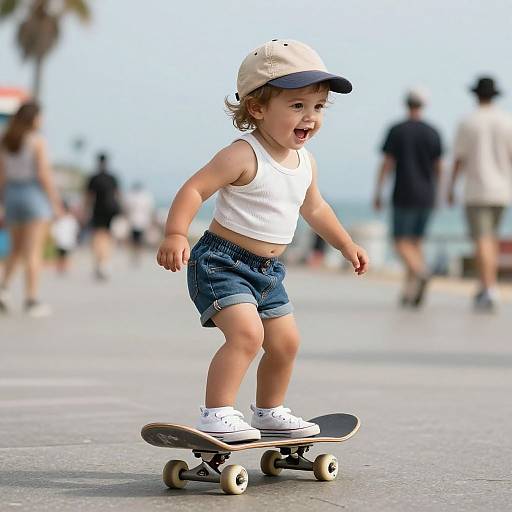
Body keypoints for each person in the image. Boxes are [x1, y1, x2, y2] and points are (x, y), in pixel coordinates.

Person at [157, 39, 369, 442]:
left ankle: (269, 411)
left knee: (286, 342)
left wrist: (345, 245)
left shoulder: (306, 162)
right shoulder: (242, 154)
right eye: (297, 106)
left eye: (318, 107)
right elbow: (194, 190)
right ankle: (217, 413)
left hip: (268, 273)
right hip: (221, 264)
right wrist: (175, 233)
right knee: (247, 336)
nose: (310, 117)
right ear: (256, 108)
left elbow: (316, 209)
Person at [373, 88, 443, 307]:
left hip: (403, 193)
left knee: (400, 242)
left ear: (406, 104)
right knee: (416, 243)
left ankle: (420, 273)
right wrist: (439, 193)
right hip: (427, 194)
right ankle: (409, 292)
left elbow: (387, 163)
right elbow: (439, 166)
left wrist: (378, 191)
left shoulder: (396, 130)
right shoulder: (433, 132)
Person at [449, 77, 512, 312]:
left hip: (477, 191)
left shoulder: (468, 122)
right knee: (492, 240)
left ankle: (489, 289)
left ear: (475, 95)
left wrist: (450, 187)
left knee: (482, 241)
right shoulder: (507, 121)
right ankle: (485, 285)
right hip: (503, 190)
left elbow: (458, 159)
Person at [0, 101, 62, 317]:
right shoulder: (36, 141)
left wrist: (3, 200)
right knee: (33, 250)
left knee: (14, 249)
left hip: (12, 195)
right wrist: (55, 203)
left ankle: (4, 289)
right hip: (33, 195)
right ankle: (31, 299)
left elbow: (2, 176)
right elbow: (43, 174)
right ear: (34, 118)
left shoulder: (6, 141)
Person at [85, 153, 119, 281]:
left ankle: (99, 262)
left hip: (97, 210)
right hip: (110, 210)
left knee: (97, 236)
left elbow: (88, 196)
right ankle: (104, 262)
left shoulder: (93, 178)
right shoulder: (112, 177)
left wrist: (85, 211)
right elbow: (117, 195)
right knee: (106, 236)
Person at [124, 182, 155, 265]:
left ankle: (136, 255)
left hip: (135, 221)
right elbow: (150, 209)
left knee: (135, 240)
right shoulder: (146, 197)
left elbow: (126, 209)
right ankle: (138, 255)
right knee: (139, 240)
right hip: (141, 221)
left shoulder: (130, 196)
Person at [51, 201, 80, 274]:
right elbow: (54, 229)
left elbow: (75, 229)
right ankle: (61, 267)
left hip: (67, 241)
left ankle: (64, 267)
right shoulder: (60, 220)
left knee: (65, 255)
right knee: (60, 255)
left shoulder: (70, 219)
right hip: (61, 241)